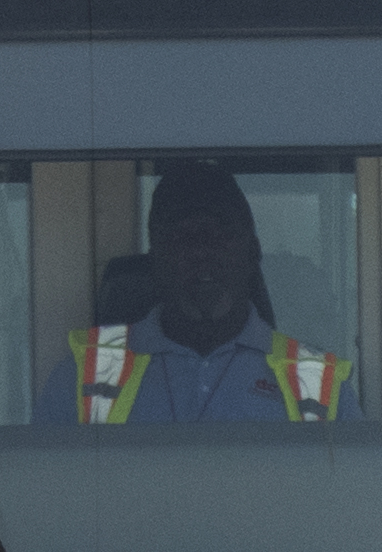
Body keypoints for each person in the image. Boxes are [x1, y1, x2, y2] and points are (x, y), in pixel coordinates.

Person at [53, 158, 348, 427]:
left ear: (253, 254)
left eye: (221, 235)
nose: (202, 252)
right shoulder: (81, 379)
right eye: (182, 237)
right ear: (155, 259)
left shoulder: (318, 382)